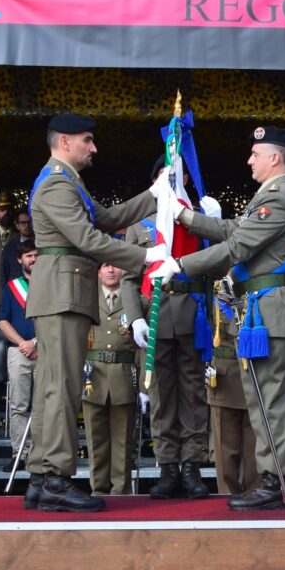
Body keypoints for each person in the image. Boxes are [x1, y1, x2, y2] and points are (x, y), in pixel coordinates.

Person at [150, 125, 285, 510]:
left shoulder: (281, 199)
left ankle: (274, 479)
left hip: (269, 309)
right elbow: (231, 229)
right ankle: (272, 477)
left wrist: (180, 263)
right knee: (260, 396)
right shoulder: (270, 197)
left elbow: (236, 246)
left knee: (269, 398)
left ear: (274, 157)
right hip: (261, 309)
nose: (249, 160)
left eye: (255, 154)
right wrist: (184, 217)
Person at [23, 113, 166, 513]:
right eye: (87, 140)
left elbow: (104, 218)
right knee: (63, 385)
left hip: (63, 290)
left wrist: (155, 194)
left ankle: (41, 477)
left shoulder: (66, 181)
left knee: (55, 384)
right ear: (65, 141)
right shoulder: (56, 184)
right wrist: (144, 254)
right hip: (61, 291)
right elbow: (88, 237)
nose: (93, 147)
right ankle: (55, 477)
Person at [123, 155, 211, 501]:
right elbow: (129, 277)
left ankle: (191, 467)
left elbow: (210, 271)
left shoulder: (197, 217)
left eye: (179, 174)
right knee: (160, 395)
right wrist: (135, 318)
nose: (174, 179)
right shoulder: (139, 224)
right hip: (155, 314)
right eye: (166, 174)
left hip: (191, 315)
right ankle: (167, 466)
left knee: (193, 395)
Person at [82, 263, 140, 495]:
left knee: (123, 439)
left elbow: (144, 342)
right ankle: (98, 489)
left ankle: (121, 491)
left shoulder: (135, 299)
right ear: (97, 271)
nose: (110, 270)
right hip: (92, 375)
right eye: (104, 266)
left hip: (123, 374)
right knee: (95, 439)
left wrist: (146, 382)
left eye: (115, 265)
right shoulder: (86, 297)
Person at [207, 295, 258, 495]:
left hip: (252, 371)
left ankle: (255, 491)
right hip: (224, 374)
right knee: (225, 447)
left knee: (254, 447)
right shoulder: (213, 289)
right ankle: (227, 494)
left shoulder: (255, 288)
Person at [0, 239, 39, 473]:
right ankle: (19, 454)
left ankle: (39, 455)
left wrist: (36, 342)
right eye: (29, 256)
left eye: (36, 255)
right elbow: (2, 320)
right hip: (19, 352)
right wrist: (23, 343)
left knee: (43, 406)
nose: (33, 259)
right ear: (20, 260)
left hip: (45, 351)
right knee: (18, 405)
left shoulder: (49, 285)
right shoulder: (11, 288)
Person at [0, 208, 35, 283]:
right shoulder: (9, 249)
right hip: (18, 291)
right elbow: (4, 276)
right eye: (23, 223)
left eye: (30, 222)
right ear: (17, 225)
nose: (27, 225)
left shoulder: (43, 245)